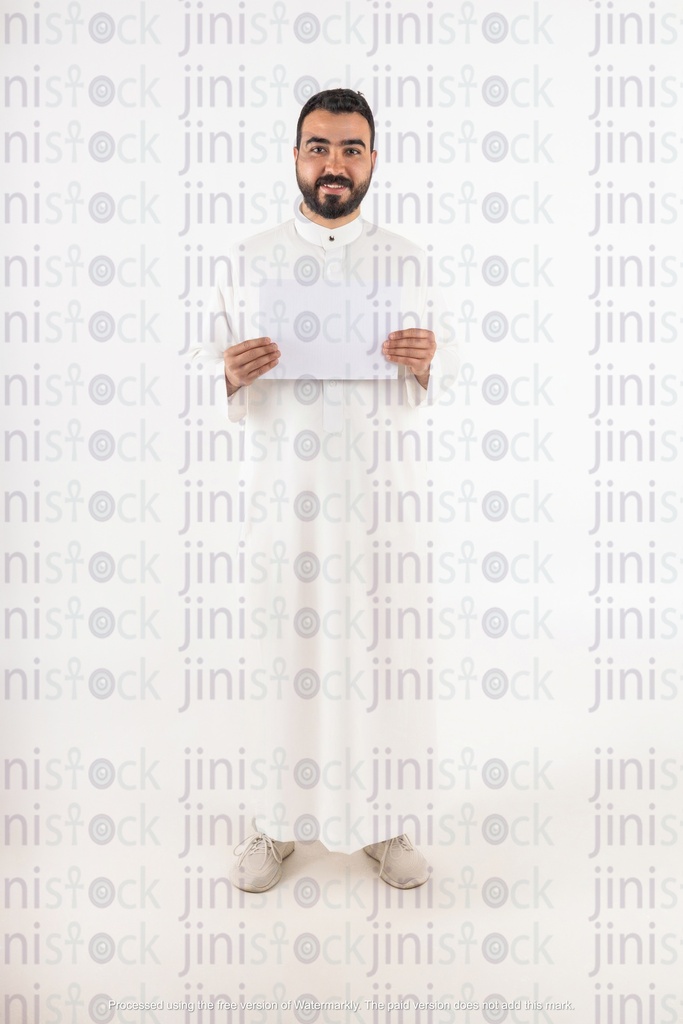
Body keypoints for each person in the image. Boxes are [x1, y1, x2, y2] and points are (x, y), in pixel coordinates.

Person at [195, 89, 458, 892]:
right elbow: (210, 371)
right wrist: (230, 376)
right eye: (318, 147)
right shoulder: (250, 258)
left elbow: (435, 378)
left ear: (372, 160)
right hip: (286, 493)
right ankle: (275, 822)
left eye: (350, 148)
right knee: (286, 653)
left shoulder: (406, 259)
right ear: (296, 156)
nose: (333, 164)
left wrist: (423, 363)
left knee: (382, 654)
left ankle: (383, 819)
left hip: (379, 497)